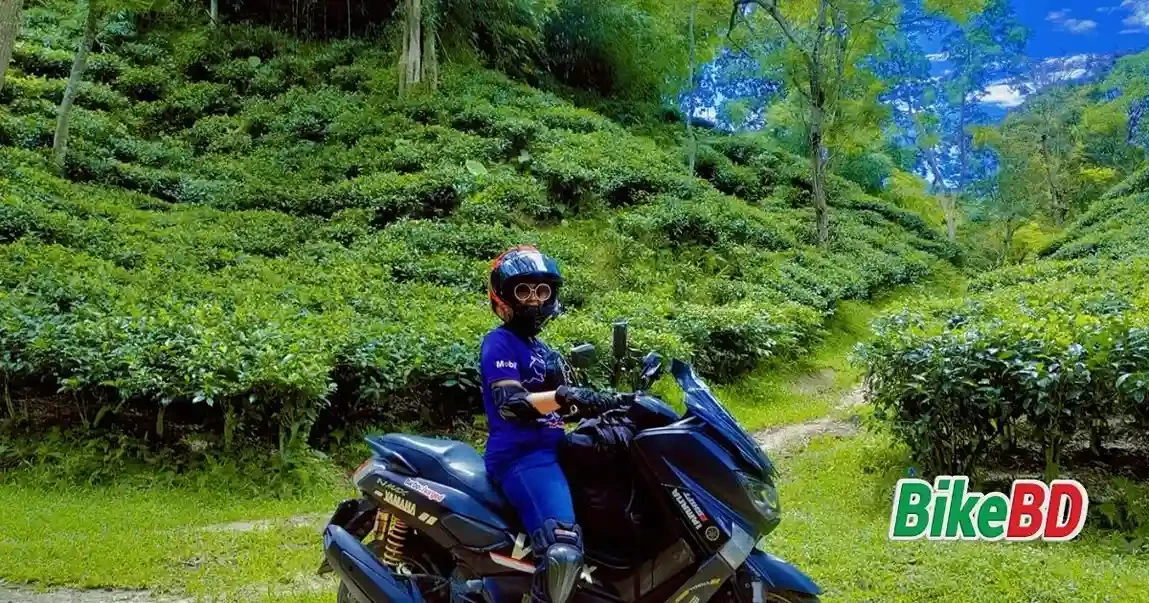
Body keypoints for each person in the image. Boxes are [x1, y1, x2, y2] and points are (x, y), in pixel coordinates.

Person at [479, 245, 625, 603]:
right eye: (523, 290)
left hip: (557, 449)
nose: (534, 299)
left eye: (541, 291)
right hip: (521, 455)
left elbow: (568, 407)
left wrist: (608, 403)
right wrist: (564, 395)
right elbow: (511, 403)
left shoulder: (543, 351)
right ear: (504, 296)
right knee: (563, 552)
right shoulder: (499, 343)